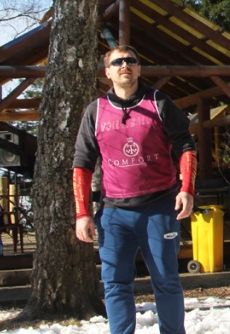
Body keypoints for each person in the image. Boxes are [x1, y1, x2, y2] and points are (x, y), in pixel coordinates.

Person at [73, 45, 197, 334]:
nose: (124, 65)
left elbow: (186, 146)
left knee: (166, 280)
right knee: (115, 284)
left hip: (159, 208)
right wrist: (82, 213)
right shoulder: (95, 111)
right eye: (117, 62)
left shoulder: (159, 102)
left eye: (131, 60)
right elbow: (82, 163)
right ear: (107, 73)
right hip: (114, 213)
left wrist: (187, 189)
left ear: (139, 69)